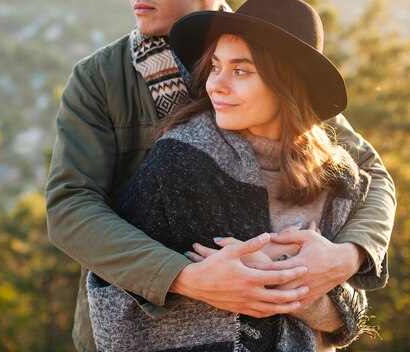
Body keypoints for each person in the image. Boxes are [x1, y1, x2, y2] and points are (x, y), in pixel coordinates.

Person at [45, 0, 395, 351]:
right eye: (213, 67)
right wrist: (185, 277)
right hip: (145, 315)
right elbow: (70, 205)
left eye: (240, 70)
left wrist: (348, 255)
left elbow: (367, 172)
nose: (217, 86)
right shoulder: (102, 78)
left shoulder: (277, 43)